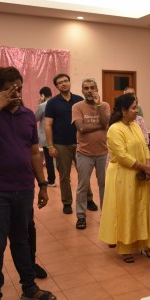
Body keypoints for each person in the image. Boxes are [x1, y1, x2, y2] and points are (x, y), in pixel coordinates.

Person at [0, 67, 57, 300]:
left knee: (22, 240)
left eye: (19, 89)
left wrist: (42, 184)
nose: (17, 94)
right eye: (10, 90)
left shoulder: (28, 115)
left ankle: (29, 287)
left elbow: (34, 152)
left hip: (24, 189)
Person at [99, 94, 150, 263]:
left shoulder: (135, 125)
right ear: (123, 110)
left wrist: (148, 163)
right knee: (126, 210)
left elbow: (144, 146)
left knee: (141, 208)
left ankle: (145, 245)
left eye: (136, 106)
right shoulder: (114, 129)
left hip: (139, 174)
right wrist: (143, 167)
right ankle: (125, 248)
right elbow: (121, 155)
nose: (136, 110)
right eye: (133, 108)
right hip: (122, 175)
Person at [45, 73, 97, 214]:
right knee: (64, 176)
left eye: (66, 81)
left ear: (69, 82)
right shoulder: (52, 103)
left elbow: (89, 119)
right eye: (60, 82)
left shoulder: (79, 100)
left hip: (81, 143)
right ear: (56, 86)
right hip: (61, 144)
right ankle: (67, 202)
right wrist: (50, 146)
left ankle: (89, 199)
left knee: (84, 174)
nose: (64, 83)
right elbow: (48, 125)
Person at [72, 79, 110, 230]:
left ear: (97, 89)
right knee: (83, 186)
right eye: (86, 88)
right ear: (82, 91)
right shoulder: (77, 107)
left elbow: (106, 124)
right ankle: (81, 216)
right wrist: (100, 125)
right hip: (84, 153)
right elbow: (81, 128)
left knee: (104, 185)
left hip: (103, 153)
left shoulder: (104, 105)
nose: (89, 91)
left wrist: (98, 106)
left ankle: (106, 215)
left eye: (92, 88)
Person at [35, 86, 56, 187]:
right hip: (58, 136)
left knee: (49, 159)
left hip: (47, 137)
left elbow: (35, 118)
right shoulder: (57, 103)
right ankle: (65, 178)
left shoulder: (42, 106)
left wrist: (39, 104)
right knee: (62, 160)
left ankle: (51, 180)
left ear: (42, 95)